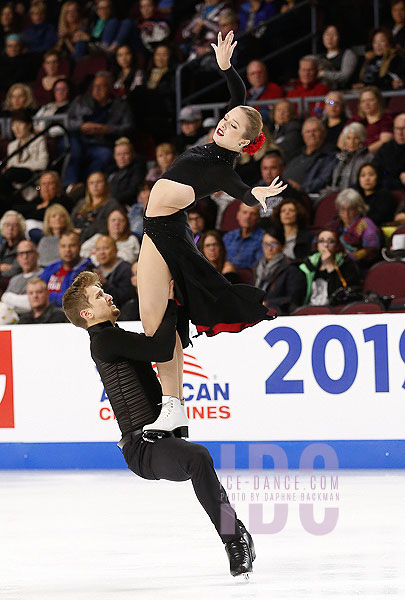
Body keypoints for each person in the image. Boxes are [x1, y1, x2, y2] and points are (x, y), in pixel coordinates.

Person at [137, 31, 286, 435]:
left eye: (233, 125)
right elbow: (237, 93)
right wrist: (225, 65)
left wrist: (255, 193)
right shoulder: (218, 144)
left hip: (164, 235)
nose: (224, 123)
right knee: (155, 322)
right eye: (226, 118)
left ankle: (172, 406)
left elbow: (243, 192)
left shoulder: (223, 168)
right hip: (161, 229)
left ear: (244, 142)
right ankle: (173, 407)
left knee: (155, 324)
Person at [62, 271, 255, 577]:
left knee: (198, 460)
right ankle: (234, 540)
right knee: (199, 457)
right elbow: (161, 348)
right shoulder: (104, 341)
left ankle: (236, 534)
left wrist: (179, 301)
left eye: (104, 291)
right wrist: (168, 301)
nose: (108, 295)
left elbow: (166, 343)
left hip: (160, 438)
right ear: (86, 314)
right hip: (143, 449)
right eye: (99, 295)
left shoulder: (115, 337)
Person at [66, 72, 134, 184]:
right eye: (95, 86)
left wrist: (106, 129)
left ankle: (89, 185)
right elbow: (68, 121)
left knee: (104, 155)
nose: (97, 89)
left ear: (110, 87)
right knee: (73, 152)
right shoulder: (81, 101)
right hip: (80, 139)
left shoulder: (120, 105)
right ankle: (70, 185)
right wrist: (81, 125)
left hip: (103, 142)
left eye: (101, 86)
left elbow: (128, 127)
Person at [296, 229, 360, 306]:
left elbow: (343, 294)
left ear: (337, 246)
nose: (325, 245)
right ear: (317, 246)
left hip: (335, 310)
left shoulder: (346, 263)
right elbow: (297, 296)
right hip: (309, 310)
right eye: (321, 241)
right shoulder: (308, 266)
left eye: (331, 242)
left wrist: (330, 265)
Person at [0, 111, 48, 204]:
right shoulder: (12, 145)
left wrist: (19, 167)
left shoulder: (38, 140)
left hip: (31, 175)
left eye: (20, 124)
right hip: (14, 180)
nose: (16, 128)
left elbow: (43, 163)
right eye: (13, 125)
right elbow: (10, 166)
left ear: (29, 125)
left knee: (10, 172)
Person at [255, 227, 303, 314]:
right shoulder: (257, 267)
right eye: (266, 244)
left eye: (273, 244)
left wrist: (267, 303)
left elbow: (293, 299)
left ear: (282, 246)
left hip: (279, 314)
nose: (269, 249)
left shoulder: (291, 269)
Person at [283, 117, 335, 196]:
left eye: (315, 131)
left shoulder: (329, 156)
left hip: (306, 197)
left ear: (324, 133)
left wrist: (301, 188)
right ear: (303, 135)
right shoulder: (295, 154)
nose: (311, 135)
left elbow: (323, 180)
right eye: (308, 132)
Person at [332, 188, 381, 268]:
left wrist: (347, 256)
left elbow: (371, 250)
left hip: (360, 268)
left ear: (359, 209)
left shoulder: (366, 224)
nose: (346, 214)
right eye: (343, 209)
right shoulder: (336, 224)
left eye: (350, 209)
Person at [40, 232, 92, 307]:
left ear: (80, 247)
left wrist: (44, 296)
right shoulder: (51, 268)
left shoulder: (88, 271)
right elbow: (37, 289)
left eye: (72, 246)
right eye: (63, 246)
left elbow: (70, 300)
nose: (67, 250)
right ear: (59, 248)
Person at [71, 172, 121, 242]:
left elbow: (105, 226)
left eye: (99, 182)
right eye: (91, 183)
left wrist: (83, 232)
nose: (95, 185)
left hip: (98, 240)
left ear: (105, 184)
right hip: (75, 239)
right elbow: (71, 221)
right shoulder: (81, 203)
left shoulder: (112, 204)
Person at [329, 122, 373, 192]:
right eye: (348, 138)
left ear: (361, 140)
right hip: (337, 194)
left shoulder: (368, 158)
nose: (351, 142)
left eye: (356, 138)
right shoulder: (340, 157)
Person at [92, 235, 133, 308]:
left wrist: (105, 283)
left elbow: (124, 299)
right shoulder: (94, 270)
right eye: (98, 249)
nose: (101, 252)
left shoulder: (126, 269)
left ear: (115, 250)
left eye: (106, 248)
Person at [1, 240, 41, 314]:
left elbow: (34, 303)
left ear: (37, 255)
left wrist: (9, 298)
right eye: (21, 253)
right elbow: (4, 301)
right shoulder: (14, 279)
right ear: (17, 258)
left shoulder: (44, 274)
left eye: (28, 252)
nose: (25, 257)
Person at [350, 86, 393, 154]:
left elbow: (384, 142)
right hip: (355, 156)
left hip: (377, 156)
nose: (366, 104)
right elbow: (341, 142)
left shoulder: (386, 118)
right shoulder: (355, 119)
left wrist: (363, 154)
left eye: (370, 100)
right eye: (363, 101)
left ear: (378, 101)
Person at [105, 137, 146, 206]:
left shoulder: (138, 170)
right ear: (114, 156)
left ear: (133, 154)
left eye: (125, 154)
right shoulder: (110, 171)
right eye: (118, 154)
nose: (122, 157)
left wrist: (109, 200)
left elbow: (132, 191)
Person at [223, 204, 264, 268]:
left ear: (258, 218)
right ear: (238, 215)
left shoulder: (263, 238)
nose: (248, 217)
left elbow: (258, 266)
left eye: (252, 214)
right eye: (244, 212)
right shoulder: (228, 236)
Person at [317, 25, 358, 90]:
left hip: (341, 95)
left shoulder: (348, 54)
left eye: (334, 34)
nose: (330, 38)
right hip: (322, 95)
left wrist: (324, 74)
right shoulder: (319, 57)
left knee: (331, 100)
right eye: (327, 34)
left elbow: (345, 76)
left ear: (339, 36)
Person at [372, 112, 405, 189]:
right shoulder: (385, 148)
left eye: (404, 128)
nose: (400, 133)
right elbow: (376, 170)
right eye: (397, 128)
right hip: (387, 189)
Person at [246, 60, 283, 125]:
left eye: (259, 72)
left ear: (265, 73)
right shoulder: (246, 94)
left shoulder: (274, 89)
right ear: (248, 77)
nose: (257, 76)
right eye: (253, 73)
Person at [269, 99, 302, 164]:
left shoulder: (294, 129)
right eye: (278, 110)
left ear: (291, 113)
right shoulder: (271, 128)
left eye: (285, 111)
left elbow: (286, 148)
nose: (281, 114)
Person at [0, 211, 26, 287]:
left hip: (16, 284)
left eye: (14, 225)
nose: (10, 228)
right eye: (7, 225)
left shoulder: (25, 246)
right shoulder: (2, 246)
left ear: (21, 228)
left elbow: (15, 270)